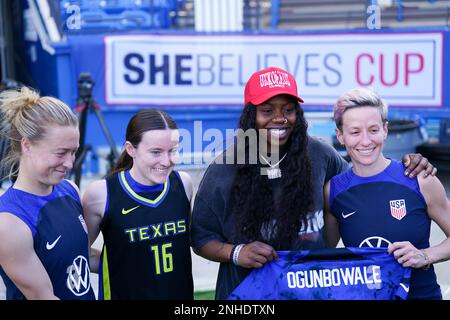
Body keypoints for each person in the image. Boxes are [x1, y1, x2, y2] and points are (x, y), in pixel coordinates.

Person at [190, 66, 437, 300]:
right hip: (246, 292)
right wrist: (236, 253)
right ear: (250, 116)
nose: (279, 118)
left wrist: (409, 164)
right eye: (267, 111)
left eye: (288, 110)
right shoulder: (224, 169)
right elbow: (201, 240)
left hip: (310, 290)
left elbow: (364, 179)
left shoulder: (319, 154)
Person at [323, 87, 450, 300]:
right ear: (340, 136)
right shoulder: (333, 191)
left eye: (373, 130)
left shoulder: (420, 179)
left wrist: (425, 256)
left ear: (385, 130)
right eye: (355, 132)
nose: (365, 141)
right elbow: (321, 254)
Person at [82, 109, 194, 300]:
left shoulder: (183, 184)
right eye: (156, 152)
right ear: (131, 149)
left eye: (173, 151)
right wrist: (121, 263)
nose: (167, 161)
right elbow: (80, 254)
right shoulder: (101, 194)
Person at [0, 86, 95, 300]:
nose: (70, 163)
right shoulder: (9, 222)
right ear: (27, 146)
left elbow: (79, 258)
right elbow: (43, 296)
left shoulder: (70, 190)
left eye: (74, 152)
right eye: (61, 153)